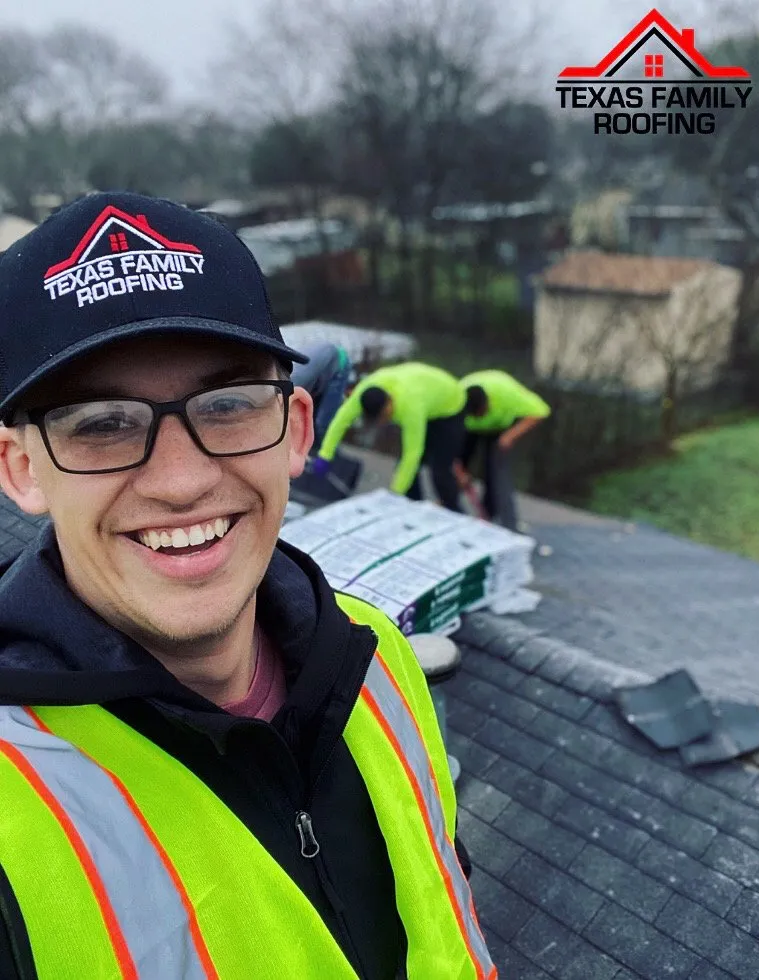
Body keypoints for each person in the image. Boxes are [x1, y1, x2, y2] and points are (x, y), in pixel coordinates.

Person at [0, 193, 495, 980]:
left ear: (296, 429)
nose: (182, 481)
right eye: (101, 422)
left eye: (227, 404)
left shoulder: (379, 657)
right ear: (21, 468)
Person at [313, 363, 467, 512]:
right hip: (425, 394)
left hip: (450, 403)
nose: (383, 421)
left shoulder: (410, 406)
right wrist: (325, 455)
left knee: (440, 469)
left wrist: (394, 493)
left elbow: (413, 453)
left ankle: (453, 511)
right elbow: (340, 422)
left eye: (384, 416)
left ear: (389, 401)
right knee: (404, 470)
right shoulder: (362, 394)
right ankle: (414, 506)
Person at [456, 370, 551, 530]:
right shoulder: (456, 400)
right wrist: (459, 471)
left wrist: (510, 436)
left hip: (498, 430)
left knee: (496, 474)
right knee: (451, 472)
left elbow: (541, 411)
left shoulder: (507, 393)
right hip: (466, 430)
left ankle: (500, 522)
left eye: (482, 414)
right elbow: (445, 444)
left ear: (488, 404)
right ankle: (447, 509)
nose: (481, 418)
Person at [291, 341, 354, 453]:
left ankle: (326, 454)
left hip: (339, 364)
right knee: (308, 415)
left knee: (323, 421)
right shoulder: (292, 377)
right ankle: (309, 449)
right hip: (320, 367)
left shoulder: (295, 380)